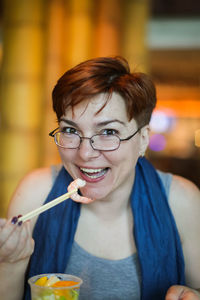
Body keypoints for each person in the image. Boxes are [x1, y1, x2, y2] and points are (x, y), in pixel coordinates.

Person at [0, 56, 199, 300]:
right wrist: (9, 264)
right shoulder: (35, 194)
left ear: (143, 139)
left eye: (108, 132)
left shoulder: (182, 201)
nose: (85, 154)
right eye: (71, 130)